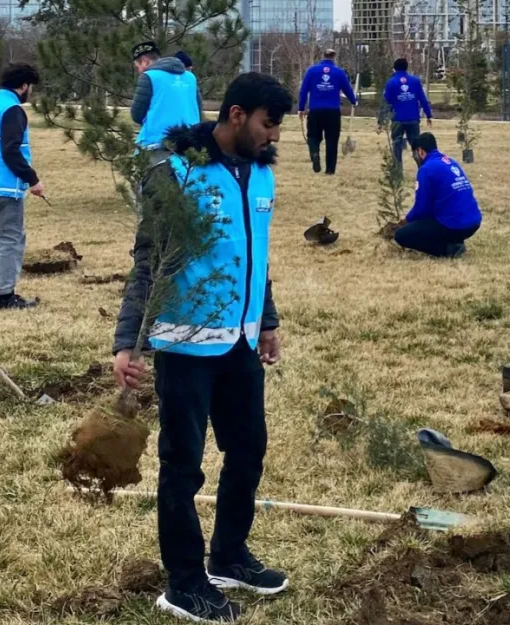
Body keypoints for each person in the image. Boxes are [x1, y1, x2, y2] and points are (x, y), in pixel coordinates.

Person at [112, 72, 292, 623]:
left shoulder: (260, 175)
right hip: (185, 344)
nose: (273, 137)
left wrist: (267, 321)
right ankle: (184, 581)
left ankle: (229, 557)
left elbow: (254, 255)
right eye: (267, 125)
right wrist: (128, 343)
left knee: (248, 451)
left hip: (239, 341)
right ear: (235, 115)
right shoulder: (175, 172)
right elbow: (148, 260)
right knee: (183, 465)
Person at [0, 63, 44, 310]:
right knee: (11, 239)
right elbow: (10, 150)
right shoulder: (12, 110)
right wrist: (32, 180)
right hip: (5, 188)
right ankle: (6, 295)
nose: (30, 92)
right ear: (24, 86)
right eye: (30, 87)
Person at [393, 133, 480, 258]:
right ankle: (454, 241)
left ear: (421, 151)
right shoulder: (451, 162)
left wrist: (406, 221)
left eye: (415, 155)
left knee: (401, 235)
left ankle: (449, 249)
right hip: (473, 222)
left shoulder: (426, 169)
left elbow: (421, 209)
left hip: (455, 224)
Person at [131, 41, 203, 165]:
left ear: (144, 60)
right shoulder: (190, 77)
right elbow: (198, 107)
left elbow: (137, 114)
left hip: (157, 145)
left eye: (137, 66)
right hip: (190, 144)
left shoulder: (148, 76)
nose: (139, 71)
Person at [297, 49, 357, 175]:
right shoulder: (339, 73)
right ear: (334, 57)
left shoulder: (312, 71)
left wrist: (301, 108)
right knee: (332, 140)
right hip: (333, 111)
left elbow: (303, 91)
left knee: (313, 136)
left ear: (322, 56)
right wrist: (353, 101)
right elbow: (347, 89)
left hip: (315, 110)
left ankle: (314, 154)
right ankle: (330, 170)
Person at [383, 58, 432, 166]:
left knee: (397, 145)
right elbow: (422, 99)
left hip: (397, 119)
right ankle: (422, 168)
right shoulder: (415, 81)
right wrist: (428, 115)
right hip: (413, 118)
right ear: (407, 67)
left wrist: (380, 121)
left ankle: (397, 171)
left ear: (394, 69)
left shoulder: (391, 82)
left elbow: (386, 102)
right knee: (416, 146)